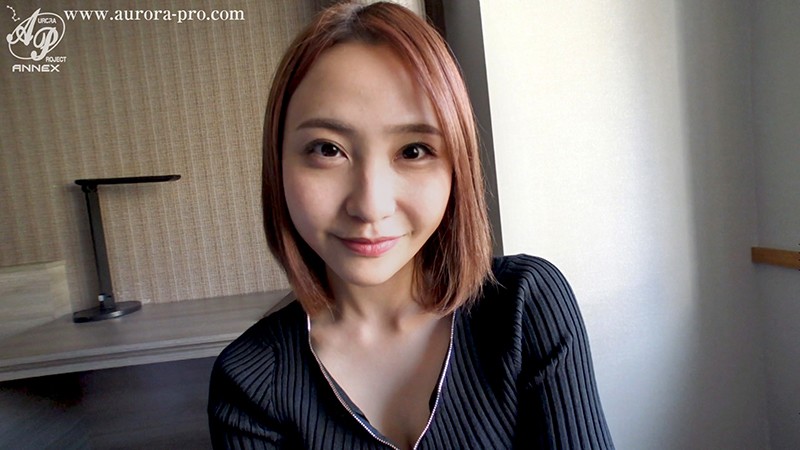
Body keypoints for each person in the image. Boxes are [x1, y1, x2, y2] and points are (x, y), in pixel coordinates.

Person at [208, 2, 613, 449]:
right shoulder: (251, 382)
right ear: (277, 164)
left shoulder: (524, 307)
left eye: (414, 151)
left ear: (457, 166)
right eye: (327, 149)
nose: (371, 206)